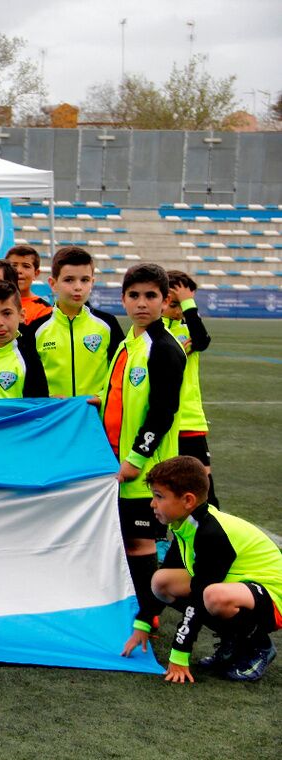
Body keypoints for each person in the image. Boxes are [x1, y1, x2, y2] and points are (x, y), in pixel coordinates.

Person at [103, 263, 186, 653]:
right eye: (134, 295)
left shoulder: (164, 348)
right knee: (126, 541)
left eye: (151, 296)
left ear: (165, 300)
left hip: (145, 470)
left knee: (140, 544)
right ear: (123, 299)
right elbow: (123, 400)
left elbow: (163, 411)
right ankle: (140, 612)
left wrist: (137, 458)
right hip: (118, 465)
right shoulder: (126, 344)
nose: (141, 303)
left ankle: (150, 618)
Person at [140, 457, 282, 683]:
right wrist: (143, 623)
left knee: (212, 596)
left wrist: (179, 654)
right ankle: (233, 640)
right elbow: (170, 577)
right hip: (239, 586)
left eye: (159, 496)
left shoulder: (211, 534)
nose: (152, 503)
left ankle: (260, 646)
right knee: (162, 582)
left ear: (188, 500)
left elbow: (199, 595)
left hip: (274, 595)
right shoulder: (185, 525)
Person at [28, 246, 124, 398]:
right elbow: (28, 379)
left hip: (95, 416)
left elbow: (121, 372)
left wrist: (103, 397)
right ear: (53, 284)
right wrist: (46, 398)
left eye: (84, 280)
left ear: (92, 282)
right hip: (54, 416)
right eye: (69, 280)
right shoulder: (36, 328)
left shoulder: (107, 324)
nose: (78, 287)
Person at [163, 270, 219, 507]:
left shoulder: (189, 331)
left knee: (204, 490)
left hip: (189, 421)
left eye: (182, 305)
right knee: (163, 486)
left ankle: (209, 537)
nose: (177, 311)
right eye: (173, 303)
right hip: (162, 422)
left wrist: (188, 303)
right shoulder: (150, 333)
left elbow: (203, 339)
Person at [4, 244, 53, 324]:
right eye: (14, 266)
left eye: (26, 266)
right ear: (5, 271)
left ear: (36, 273)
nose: (19, 270)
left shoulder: (44, 310)